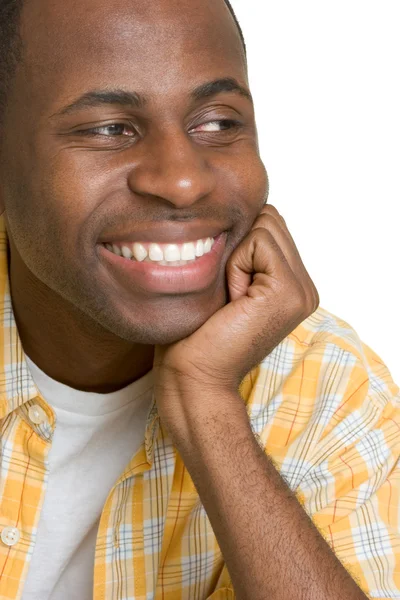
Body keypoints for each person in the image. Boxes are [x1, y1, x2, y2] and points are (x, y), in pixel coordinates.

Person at [0, 0, 398, 598]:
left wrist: (206, 403)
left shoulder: (329, 387)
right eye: (109, 128)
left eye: (217, 122)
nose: (184, 180)